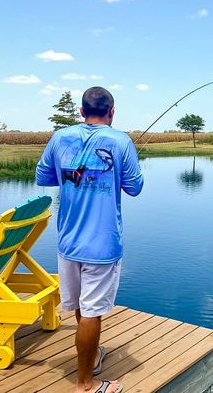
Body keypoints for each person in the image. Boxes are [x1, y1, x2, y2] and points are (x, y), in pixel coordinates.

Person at [36, 86, 144, 393]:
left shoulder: (60, 138)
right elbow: (135, 188)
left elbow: (44, 177)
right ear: (112, 111)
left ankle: (91, 355)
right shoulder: (120, 140)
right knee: (93, 312)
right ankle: (85, 383)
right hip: (102, 245)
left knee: (85, 309)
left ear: (82, 112)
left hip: (68, 242)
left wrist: (76, 175)